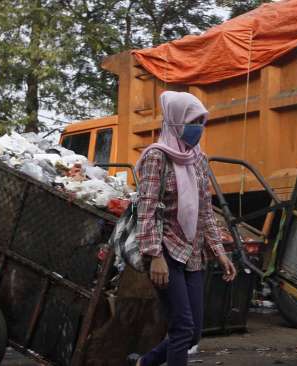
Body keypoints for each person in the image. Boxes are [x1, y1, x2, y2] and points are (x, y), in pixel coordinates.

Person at [128, 91, 237, 366]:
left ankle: (145, 363)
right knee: (182, 328)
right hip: (166, 251)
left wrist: (219, 251)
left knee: (194, 332)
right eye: (193, 121)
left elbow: (205, 210)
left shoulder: (198, 158)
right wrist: (154, 255)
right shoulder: (157, 157)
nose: (198, 128)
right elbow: (147, 208)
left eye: (201, 121)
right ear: (176, 121)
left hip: (193, 253)